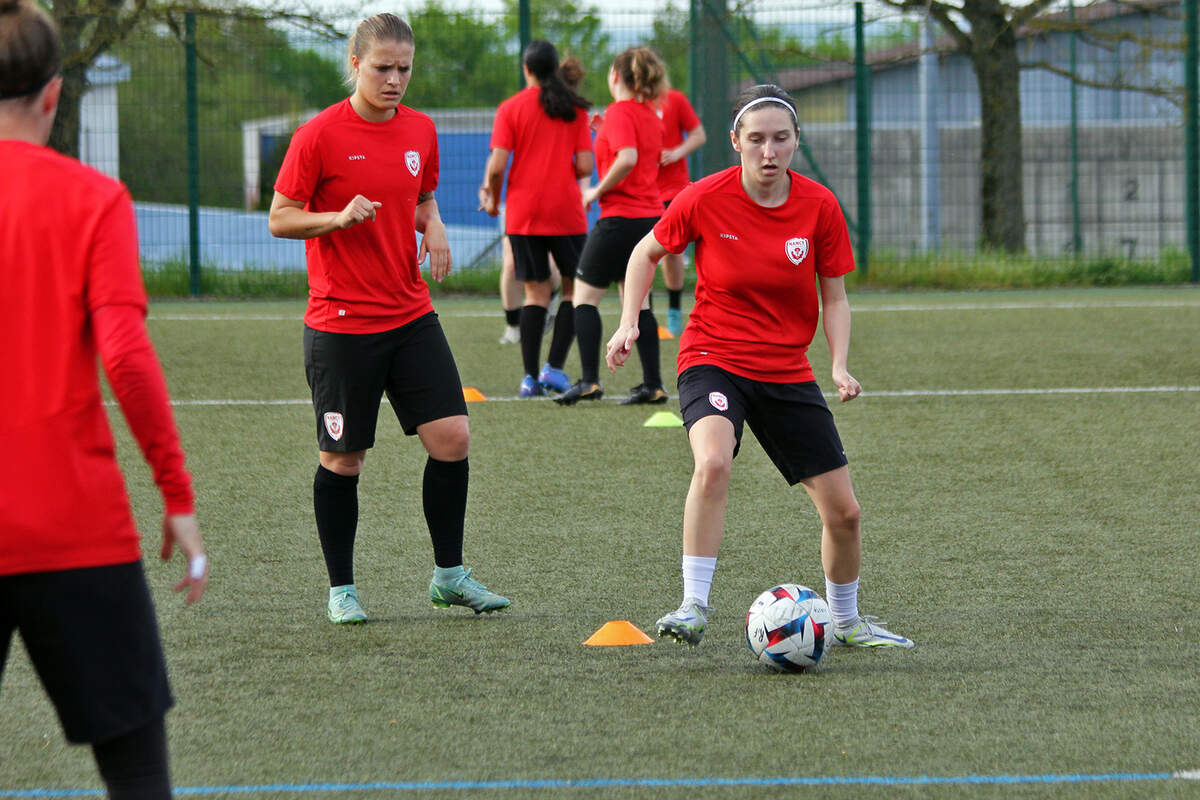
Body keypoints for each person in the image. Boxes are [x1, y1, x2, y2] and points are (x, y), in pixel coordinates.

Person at [606, 84, 914, 650]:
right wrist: (629, 320)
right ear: (735, 143)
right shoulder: (704, 197)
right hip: (713, 357)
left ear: (797, 141)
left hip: (787, 369)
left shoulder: (819, 206)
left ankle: (845, 621)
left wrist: (839, 364)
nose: (768, 152)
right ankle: (693, 605)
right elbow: (645, 253)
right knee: (714, 463)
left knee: (845, 513)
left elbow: (835, 297)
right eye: (756, 140)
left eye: (780, 139)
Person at [0, 0, 209, 795]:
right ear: (54, 93)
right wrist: (177, 494)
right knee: (135, 778)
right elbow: (124, 355)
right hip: (72, 524)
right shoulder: (94, 200)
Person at [268, 12, 509, 623]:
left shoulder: (421, 130)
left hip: (410, 314)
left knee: (452, 437)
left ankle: (450, 576)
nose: (395, 79)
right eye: (383, 68)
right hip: (341, 324)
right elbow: (280, 216)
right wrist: (335, 218)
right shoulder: (317, 136)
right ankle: (342, 590)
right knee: (344, 460)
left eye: (404, 68)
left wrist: (436, 225)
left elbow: (421, 196)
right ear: (355, 64)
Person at [556, 46, 668, 406]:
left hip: (619, 219)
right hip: (650, 219)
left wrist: (595, 191)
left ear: (615, 76)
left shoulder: (620, 112)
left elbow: (628, 157)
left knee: (584, 299)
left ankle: (590, 381)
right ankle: (653, 385)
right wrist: (606, 131)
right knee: (639, 304)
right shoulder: (650, 115)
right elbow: (638, 151)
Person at [480, 40, 592, 397]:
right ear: (555, 68)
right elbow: (586, 166)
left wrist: (494, 201)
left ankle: (529, 379)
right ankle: (554, 370)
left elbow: (497, 166)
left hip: (524, 213)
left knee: (535, 292)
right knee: (575, 291)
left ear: (526, 69)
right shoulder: (573, 109)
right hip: (566, 212)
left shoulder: (510, 108)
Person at [654, 85, 705, 336]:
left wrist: (676, 153)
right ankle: (640, 319)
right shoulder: (629, 105)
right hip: (642, 191)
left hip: (672, 190)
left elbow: (698, 135)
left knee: (672, 253)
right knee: (641, 254)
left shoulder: (675, 99)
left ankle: (674, 315)